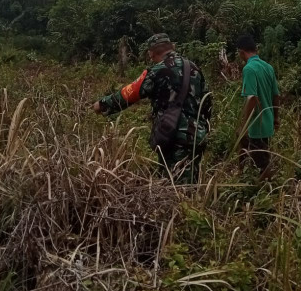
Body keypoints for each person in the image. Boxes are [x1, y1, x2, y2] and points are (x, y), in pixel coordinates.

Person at [92, 33, 211, 183]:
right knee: (190, 182)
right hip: (197, 136)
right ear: (172, 47)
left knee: (175, 189)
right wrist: (203, 128)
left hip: (173, 137)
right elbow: (207, 101)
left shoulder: (157, 71)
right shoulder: (193, 67)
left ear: (151, 53)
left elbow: (131, 93)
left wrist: (102, 105)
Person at [236, 34, 280, 179]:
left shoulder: (249, 69)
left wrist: (245, 125)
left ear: (241, 52)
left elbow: (252, 98)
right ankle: (245, 178)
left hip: (256, 126)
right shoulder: (268, 67)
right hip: (267, 123)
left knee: (262, 165)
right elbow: (276, 95)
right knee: (255, 156)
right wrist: (276, 118)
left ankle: (265, 190)